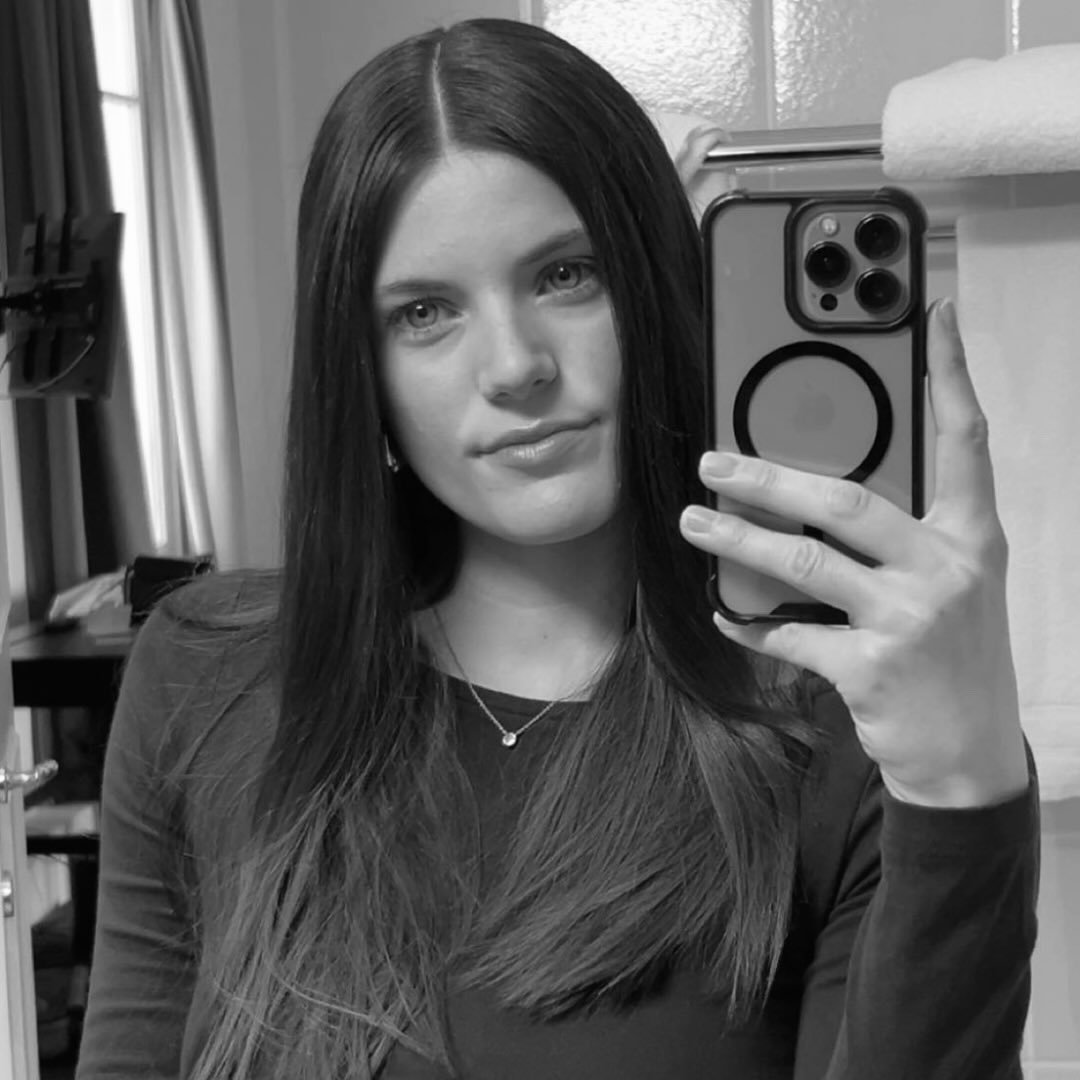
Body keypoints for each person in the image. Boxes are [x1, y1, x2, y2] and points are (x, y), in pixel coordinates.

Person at [75, 17, 1039, 1080]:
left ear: (659, 285)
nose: (515, 366)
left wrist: (965, 780)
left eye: (567, 275)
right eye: (426, 312)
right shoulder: (201, 678)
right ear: (363, 372)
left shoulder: (843, 740)